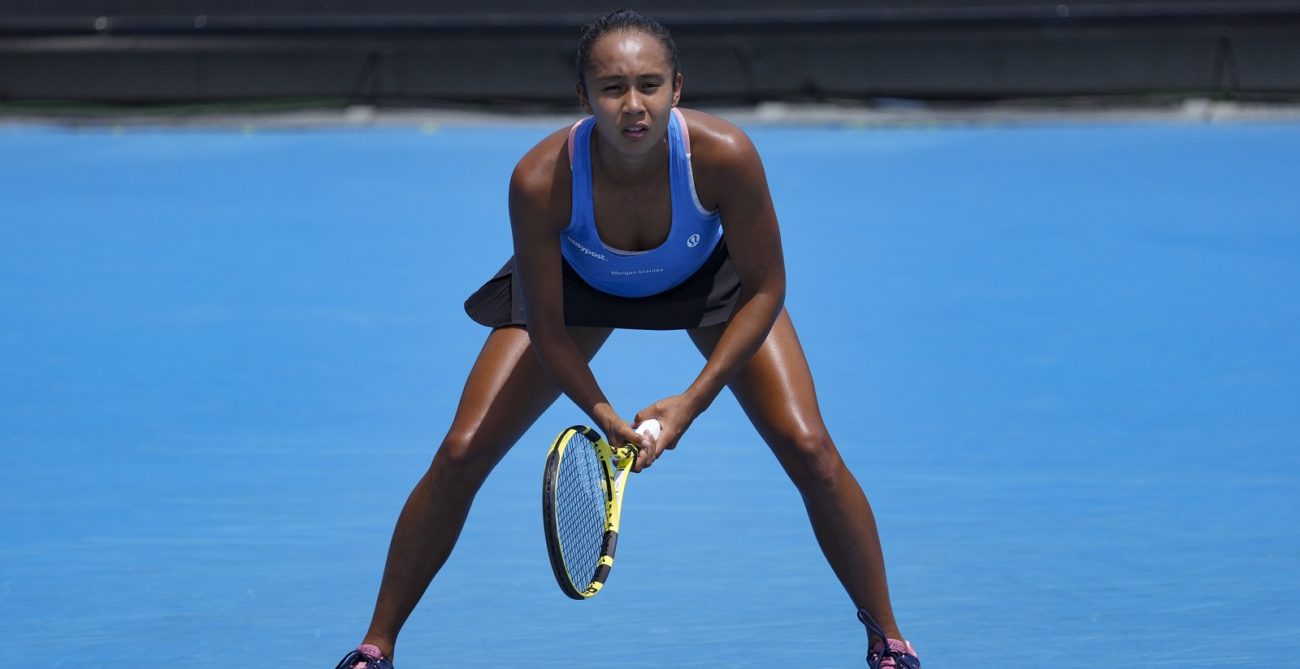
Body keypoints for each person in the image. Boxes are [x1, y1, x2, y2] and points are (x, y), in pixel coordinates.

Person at [335, 10, 920, 669]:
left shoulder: (724, 155)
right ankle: (375, 645)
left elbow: (766, 288)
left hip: (708, 289)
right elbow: (548, 327)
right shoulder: (539, 178)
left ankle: (889, 641)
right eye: (613, 88)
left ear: (678, 88)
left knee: (811, 448)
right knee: (462, 448)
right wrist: (604, 415)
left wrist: (690, 403)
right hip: (579, 291)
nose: (633, 105)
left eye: (650, 85)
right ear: (584, 97)